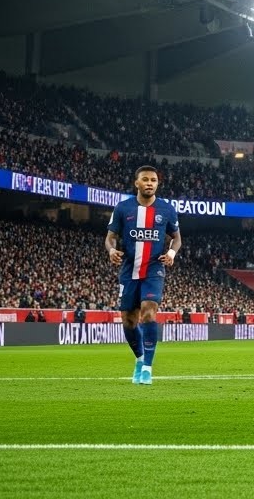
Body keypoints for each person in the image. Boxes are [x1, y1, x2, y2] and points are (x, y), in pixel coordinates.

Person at [105, 165, 182, 385]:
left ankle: (148, 368)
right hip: (129, 270)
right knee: (129, 321)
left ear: (157, 184)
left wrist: (171, 253)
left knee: (149, 311)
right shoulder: (123, 208)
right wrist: (111, 250)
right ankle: (139, 360)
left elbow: (177, 238)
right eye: (145, 179)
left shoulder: (166, 209)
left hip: (154, 269)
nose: (150, 183)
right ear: (136, 183)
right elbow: (110, 237)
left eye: (154, 180)